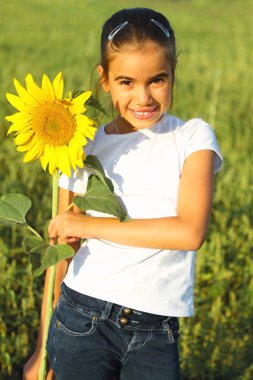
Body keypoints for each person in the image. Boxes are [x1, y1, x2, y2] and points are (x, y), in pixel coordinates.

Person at [23, 7, 223, 380]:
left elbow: (188, 232)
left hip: (154, 331)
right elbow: (61, 256)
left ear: (173, 74)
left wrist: (92, 227)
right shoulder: (81, 146)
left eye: (158, 80)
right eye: (126, 82)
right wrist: (41, 350)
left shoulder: (192, 138)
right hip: (80, 319)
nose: (143, 97)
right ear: (105, 79)